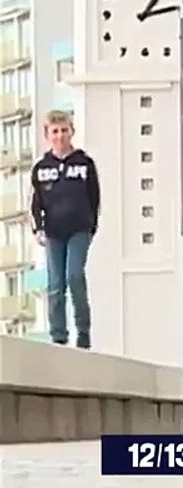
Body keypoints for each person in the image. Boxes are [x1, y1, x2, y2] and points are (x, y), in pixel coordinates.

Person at [29, 110, 101, 350]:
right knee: (55, 283)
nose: (60, 136)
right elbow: (35, 202)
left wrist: (91, 226)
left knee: (74, 275)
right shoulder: (41, 168)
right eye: (55, 132)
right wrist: (37, 229)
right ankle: (58, 335)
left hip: (79, 230)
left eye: (64, 130)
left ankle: (83, 331)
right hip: (53, 233)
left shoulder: (84, 163)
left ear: (71, 131)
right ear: (47, 135)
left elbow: (94, 196)